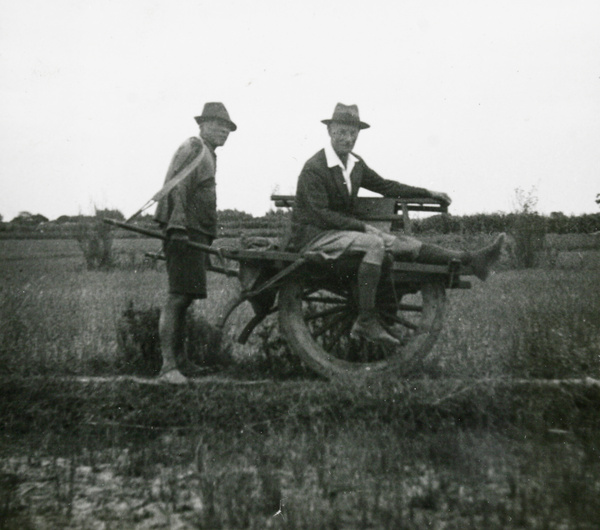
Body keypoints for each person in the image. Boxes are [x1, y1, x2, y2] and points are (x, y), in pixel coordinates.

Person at [290, 103, 504, 346]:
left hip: (342, 232)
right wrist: (361, 228)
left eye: (352, 134)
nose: (347, 139)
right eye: (341, 132)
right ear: (330, 132)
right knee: (374, 245)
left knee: (407, 246)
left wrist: (427, 192)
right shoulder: (314, 168)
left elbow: (386, 186)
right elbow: (321, 214)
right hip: (314, 235)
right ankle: (366, 321)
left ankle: (472, 259)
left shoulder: (355, 164)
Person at [154, 102, 237, 383]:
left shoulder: (209, 154)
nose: (223, 131)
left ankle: (182, 362)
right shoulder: (194, 148)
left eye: (227, 127)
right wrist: (177, 228)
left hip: (195, 232)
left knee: (186, 298)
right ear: (202, 126)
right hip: (184, 232)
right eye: (217, 125)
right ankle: (168, 367)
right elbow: (179, 187)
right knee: (178, 297)